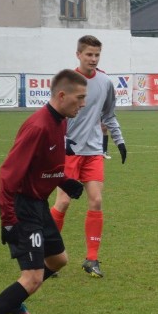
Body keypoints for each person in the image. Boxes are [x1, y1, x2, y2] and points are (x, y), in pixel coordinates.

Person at [0, 70, 87, 314]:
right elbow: (7, 176)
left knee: (58, 260)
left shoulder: (60, 121)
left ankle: (15, 300)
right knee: (32, 277)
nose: (82, 104)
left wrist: (65, 181)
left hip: (38, 204)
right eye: (79, 98)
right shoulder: (38, 126)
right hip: (22, 207)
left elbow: (45, 166)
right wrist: (8, 221)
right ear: (62, 95)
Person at [50, 35, 127, 278]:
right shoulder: (66, 81)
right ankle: (47, 257)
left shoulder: (104, 82)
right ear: (78, 55)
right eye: (89, 55)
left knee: (96, 201)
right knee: (62, 203)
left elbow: (109, 115)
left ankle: (91, 259)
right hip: (69, 152)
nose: (93, 59)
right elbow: (51, 115)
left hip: (93, 151)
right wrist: (61, 142)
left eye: (97, 55)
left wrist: (120, 140)